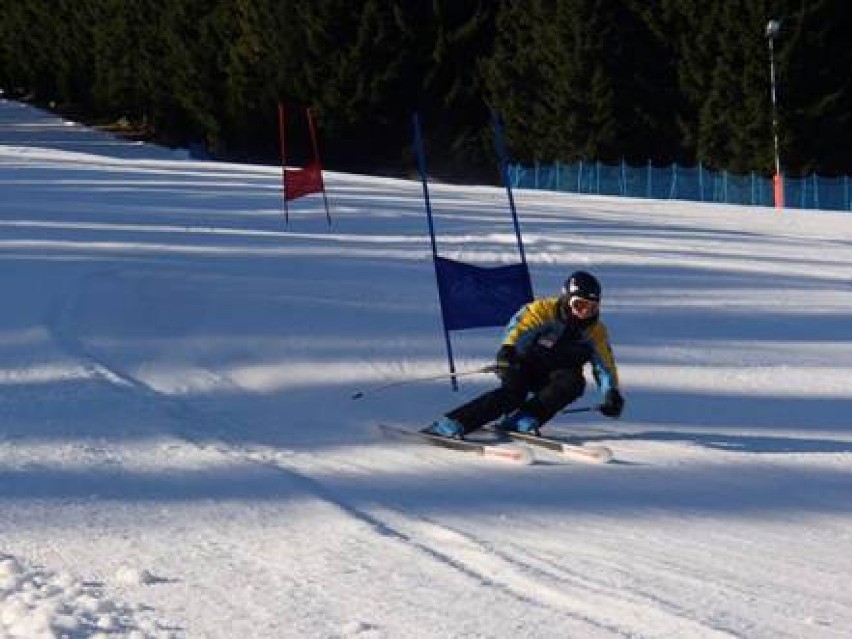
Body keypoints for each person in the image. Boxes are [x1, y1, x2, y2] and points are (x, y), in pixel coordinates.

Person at [424, 270, 624, 438]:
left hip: (553, 375)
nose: (584, 313)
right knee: (513, 393)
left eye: (592, 308)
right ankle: (452, 422)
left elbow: (604, 364)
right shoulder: (543, 311)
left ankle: (523, 419)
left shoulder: (595, 331)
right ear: (567, 299)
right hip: (523, 365)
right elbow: (517, 329)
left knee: (573, 383)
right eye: (579, 305)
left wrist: (610, 393)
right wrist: (507, 352)